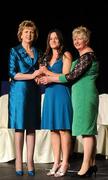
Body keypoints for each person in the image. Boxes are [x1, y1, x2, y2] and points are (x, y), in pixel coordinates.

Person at [39, 26, 99, 177]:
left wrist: (49, 76)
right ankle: (91, 165)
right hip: (78, 95)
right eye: (75, 39)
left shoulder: (88, 56)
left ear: (86, 39)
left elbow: (70, 76)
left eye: (80, 38)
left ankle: (84, 167)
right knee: (85, 131)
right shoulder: (82, 56)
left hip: (85, 94)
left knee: (86, 131)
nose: (77, 41)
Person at [37, 29, 73, 177]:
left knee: (63, 129)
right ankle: (56, 161)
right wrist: (39, 78)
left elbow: (66, 76)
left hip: (61, 94)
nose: (53, 40)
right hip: (50, 94)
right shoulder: (47, 57)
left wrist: (48, 74)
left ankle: (65, 162)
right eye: (51, 38)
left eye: (56, 38)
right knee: (53, 129)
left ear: (60, 40)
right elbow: (41, 75)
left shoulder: (66, 55)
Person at [8, 20, 41, 176]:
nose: (29, 34)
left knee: (32, 126)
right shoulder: (14, 51)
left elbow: (40, 72)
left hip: (33, 91)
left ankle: (30, 161)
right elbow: (13, 74)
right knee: (20, 126)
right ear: (21, 34)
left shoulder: (37, 51)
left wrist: (39, 76)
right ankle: (19, 161)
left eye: (31, 32)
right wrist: (33, 75)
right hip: (19, 92)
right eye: (26, 31)